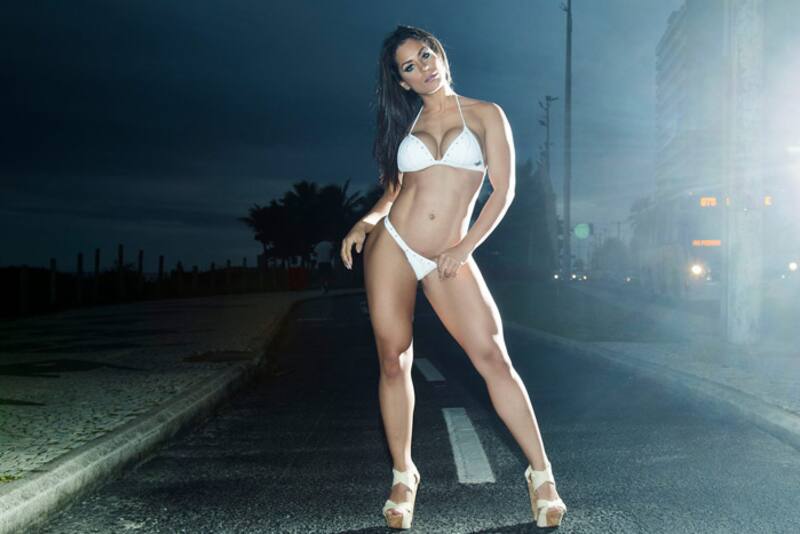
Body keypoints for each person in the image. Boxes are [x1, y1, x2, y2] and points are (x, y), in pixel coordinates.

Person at [340, 25, 567, 530]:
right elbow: (395, 191)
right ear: (402, 81)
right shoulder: (406, 124)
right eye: (410, 66)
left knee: (494, 358)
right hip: (393, 246)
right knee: (394, 360)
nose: (423, 68)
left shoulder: (485, 114)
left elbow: (503, 191)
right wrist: (366, 222)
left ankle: (542, 476)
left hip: (450, 253)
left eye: (426, 55)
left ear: (439, 53)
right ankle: (403, 476)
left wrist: (464, 248)